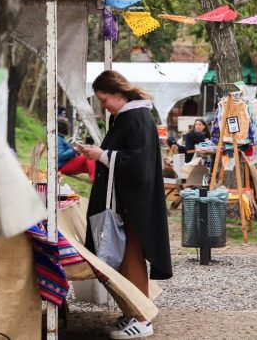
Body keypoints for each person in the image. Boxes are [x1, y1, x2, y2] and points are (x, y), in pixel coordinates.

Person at [79, 70, 172, 339]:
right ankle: (134, 313)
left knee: (131, 258)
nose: (102, 105)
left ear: (119, 95)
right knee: (124, 259)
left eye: (104, 99)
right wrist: (100, 154)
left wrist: (102, 155)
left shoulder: (135, 116)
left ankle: (142, 318)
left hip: (131, 202)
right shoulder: (128, 116)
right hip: (127, 199)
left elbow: (137, 162)